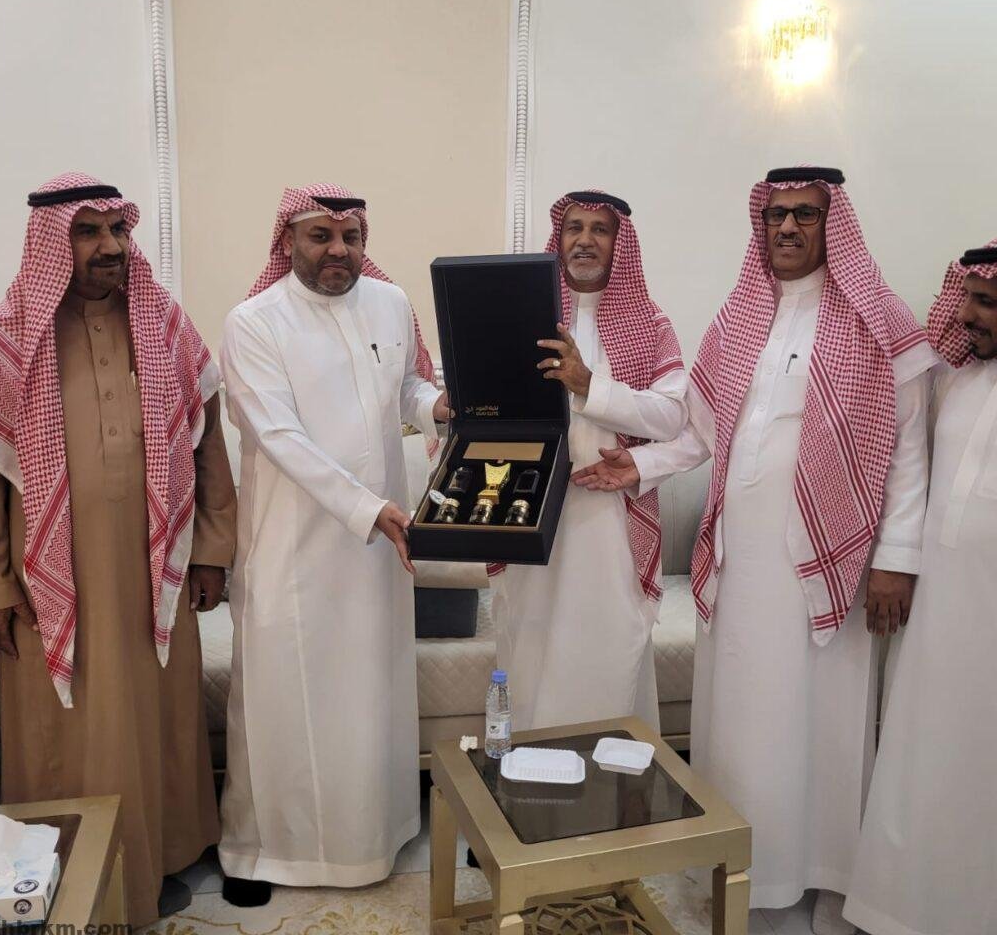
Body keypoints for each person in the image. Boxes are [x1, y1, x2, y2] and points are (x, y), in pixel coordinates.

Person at [572, 168, 936, 934]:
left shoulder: (878, 320)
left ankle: (818, 874)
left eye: (805, 215)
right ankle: (738, 867)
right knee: (740, 721)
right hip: (741, 561)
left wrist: (897, 557)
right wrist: (637, 466)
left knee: (818, 725)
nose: (789, 228)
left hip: (829, 564)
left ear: (833, 223)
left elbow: (907, 450)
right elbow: (700, 434)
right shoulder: (740, 319)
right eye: (776, 216)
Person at [0, 172, 237, 926]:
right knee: (71, 726)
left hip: (158, 571)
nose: (109, 246)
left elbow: (209, 446)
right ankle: (70, 871)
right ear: (51, 243)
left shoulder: (165, 327)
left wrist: (213, 548)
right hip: (51, 581)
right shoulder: (2, 343)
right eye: (87, 232)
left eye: (117, 230)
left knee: (157, 716)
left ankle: (163, 856)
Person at [217, 183, 449, 906]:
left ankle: (372, 834)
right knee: (283, 699)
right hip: (293, 551)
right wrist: (368, 508)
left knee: (369, 693)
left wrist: (440, 407)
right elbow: (278, 436)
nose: (338, 250)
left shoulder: (390, 302)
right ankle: (261, 851)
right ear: (288, 241)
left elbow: (407, 389)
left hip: (378, 550)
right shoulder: (254, 322)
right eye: (320, 236)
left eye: (351, 237)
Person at [843, 240, 997, 935]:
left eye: (985, 303)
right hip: (939, 612)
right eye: (966, 298)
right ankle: (901, 913)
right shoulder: (955, 379)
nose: (966, 316)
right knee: (921, 759)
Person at [490, 189, 686, 731]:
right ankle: (529, 774)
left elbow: (672, 417)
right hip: (530, 513)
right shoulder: (524, 319)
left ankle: (612, 777)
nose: (584, 239)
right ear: (559, 238)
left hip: (610, 520)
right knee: (531, 652)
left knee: (608, 652)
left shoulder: (649, 324)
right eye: (574, 227)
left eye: (600, 229)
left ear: (620, 243)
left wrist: (588, 385)